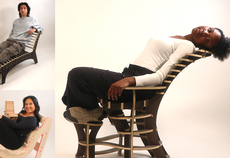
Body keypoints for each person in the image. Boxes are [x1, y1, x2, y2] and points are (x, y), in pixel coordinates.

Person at [62, 26, 230, 125]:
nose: (205, 33)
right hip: (131, 75)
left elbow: (160, 77)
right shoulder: (181, 39)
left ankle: (93, 113)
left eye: (208, 39)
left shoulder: (187, 46)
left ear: (205, 48)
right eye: (209, 30)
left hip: (140, 85)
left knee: (77, 75)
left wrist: (129, 80)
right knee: (76, 87)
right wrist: (127, 77)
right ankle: (88, 111)